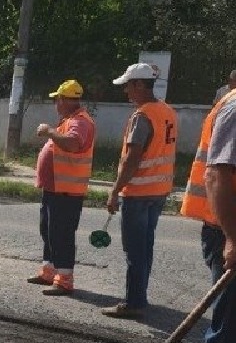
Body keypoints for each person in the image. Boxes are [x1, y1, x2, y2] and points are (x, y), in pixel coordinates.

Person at [101, 62, 178, 319]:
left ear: (139, 84)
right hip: (158, 192)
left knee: (134, 250)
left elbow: (132, 160)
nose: (126, 92)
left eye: (128, 86)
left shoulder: (142, 116)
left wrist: (114, 191)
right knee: (145, 247)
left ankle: (134, 303)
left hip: (138, 193)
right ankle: (140, 295)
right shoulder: (167, 111)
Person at [26, 79, 96, 296]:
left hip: (66, 192)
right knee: (47, 231)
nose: (56, 103)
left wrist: (48, 131)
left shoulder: (80, 122)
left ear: (65, 100)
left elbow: (73, 144)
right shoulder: (69, 120)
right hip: (54, 189)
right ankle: (49, 271)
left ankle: (64, 280)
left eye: (57, 99)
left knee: (61, 235)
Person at [180, 88, 235, 343]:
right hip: (228, 229)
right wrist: (232, 238)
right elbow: (216, 175)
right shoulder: (234, 109)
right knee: (228, 328)